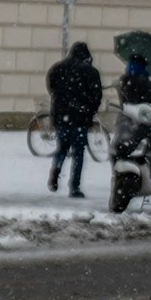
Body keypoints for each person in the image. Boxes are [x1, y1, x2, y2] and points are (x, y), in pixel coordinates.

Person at [45, 41, 103, 198]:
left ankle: (55, 173)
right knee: (78, 152)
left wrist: (60, 103)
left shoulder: (57, 68)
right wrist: (90, 110)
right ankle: (74, 186)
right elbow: (97, 96)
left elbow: (51, 87)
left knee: (62, 148)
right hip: (80, 119)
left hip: (61, 117)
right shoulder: (91, 72)